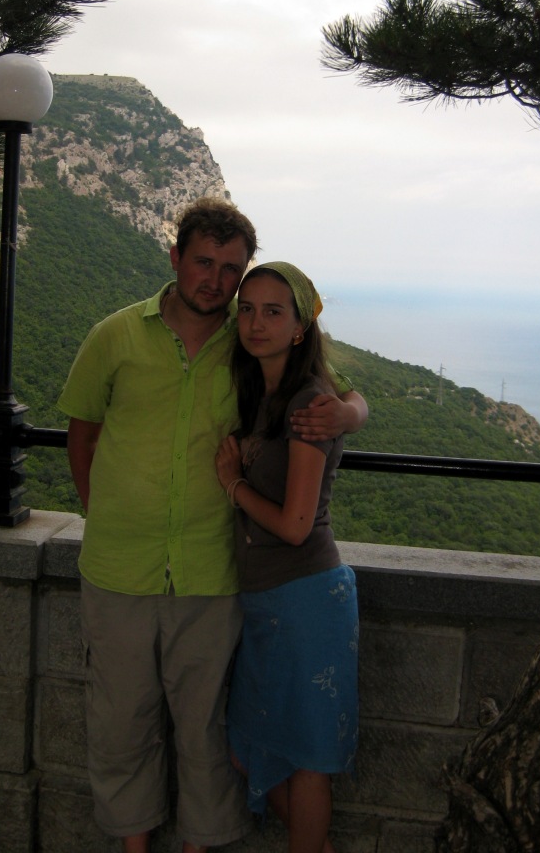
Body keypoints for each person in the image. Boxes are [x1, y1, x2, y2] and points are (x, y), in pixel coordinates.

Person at [57, 198, 367, 853]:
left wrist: (348, 415)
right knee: (121, 723)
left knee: (205, 731)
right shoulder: (116, 335)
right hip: (119, 567)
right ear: (175, 258)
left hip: (213, 571)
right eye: (203, 262)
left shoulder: (247, 339)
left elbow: (333, 389)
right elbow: (81, 436)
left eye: (231, 269)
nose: (216, 281)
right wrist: (101, 511)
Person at [214, 261, 359, 853]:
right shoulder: (264, 392)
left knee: (305, 761)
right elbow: (353, 397)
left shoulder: (307, 404)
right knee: (248, 750)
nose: (256, 323)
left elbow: (297, 526)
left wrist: (234, 486)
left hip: (305, 600)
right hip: (268, 602)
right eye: (247, 310)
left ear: (300, 327)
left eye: (273, 312)